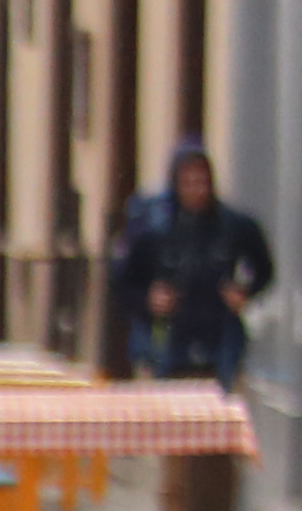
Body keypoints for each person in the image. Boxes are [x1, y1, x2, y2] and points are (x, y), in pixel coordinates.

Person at [112, 144, 278, 387]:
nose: (197, 191)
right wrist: (149, 299)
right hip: (167, 341)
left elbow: (264, 268)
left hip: (219, 338)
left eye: (202, 182)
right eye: (188, 183)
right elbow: (122, 283)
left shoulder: (231, 226)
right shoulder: (154, 230)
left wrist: (244, 291)